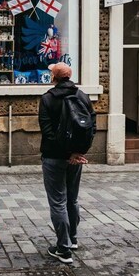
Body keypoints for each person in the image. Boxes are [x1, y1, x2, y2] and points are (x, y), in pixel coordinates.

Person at [38, 62, 93, 265]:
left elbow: (47, 131)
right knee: (72, 199)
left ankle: (63, 248)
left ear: (54, 77)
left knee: (58, 202)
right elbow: (91, 126)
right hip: (75, 157)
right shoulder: (83, 96)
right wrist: (77, 153)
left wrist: (65, 153)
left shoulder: (48, 98)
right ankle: (73, 238)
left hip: (54, 157)